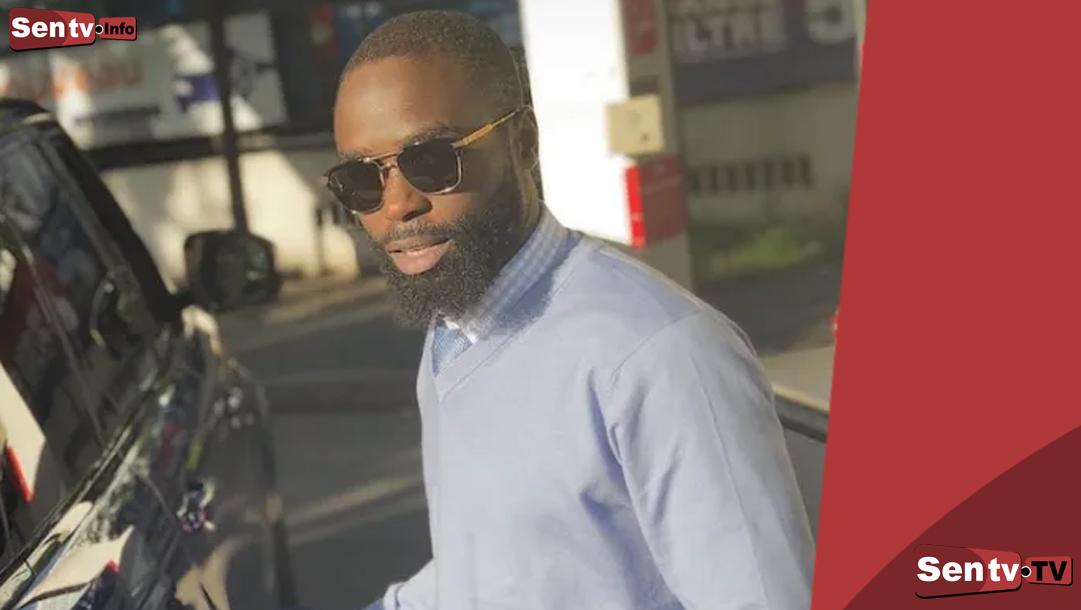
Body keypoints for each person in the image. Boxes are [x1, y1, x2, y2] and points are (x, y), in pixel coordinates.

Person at [327, 10, 815, 610]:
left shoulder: (659, 354)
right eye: (361, 180)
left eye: (431, 161)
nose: (396, 204)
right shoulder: (454, 332)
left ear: (523, 142)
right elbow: (494, 563)